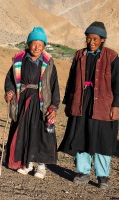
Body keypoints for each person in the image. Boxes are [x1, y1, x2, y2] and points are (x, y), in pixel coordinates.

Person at [58, 21, 119, 189]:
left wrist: (116, 106)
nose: (90, 42)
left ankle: (102, 176)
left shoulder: (112, 56)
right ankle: (83, 172)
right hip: (81, 103)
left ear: (102, 40)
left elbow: (118, 84)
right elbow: (71, 80)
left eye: (95, 39)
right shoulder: (79, 55)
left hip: (104, 105)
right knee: (81, 137)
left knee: (103, 141)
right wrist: (68, 102)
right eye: (88, 38)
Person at [4, 27, 60, 179]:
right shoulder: (19, 60)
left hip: (42, 103)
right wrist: (9, 91)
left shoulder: (48, 63)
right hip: (23, 102)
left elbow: (54, 85)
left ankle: (41, 167)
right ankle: (26, 163)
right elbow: (10, 79)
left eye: (40, 44)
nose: (37, 47)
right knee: (25, 132)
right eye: (34, 43)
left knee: (41, 134)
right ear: (28, 44)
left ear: (44, 46)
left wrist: (54, 106)